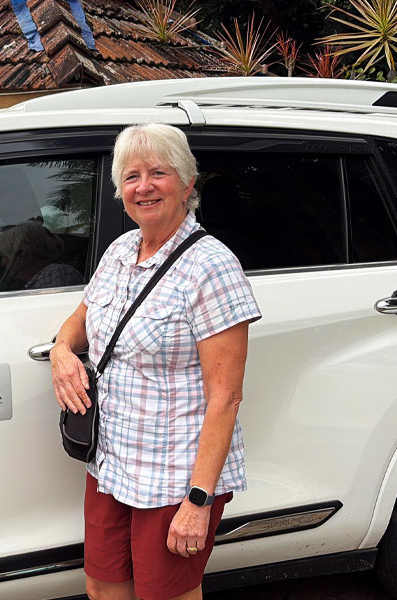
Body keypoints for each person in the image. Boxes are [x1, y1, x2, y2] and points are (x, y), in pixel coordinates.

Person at [50, 123, 261, 600]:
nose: (143, 186)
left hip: (174, 476)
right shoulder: (120, 251)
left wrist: (198, 500)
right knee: (102, 587)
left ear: (187, 184)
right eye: (131, 176)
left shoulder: (212, 266)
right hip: (111, 464)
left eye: (158, 173)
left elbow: (225, 397)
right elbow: (80, 319)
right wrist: (62, 351)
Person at [0, 220, 83, 289]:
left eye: (5, 256)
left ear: (21, 256)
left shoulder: (53, 274)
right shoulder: (36, 280)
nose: (3, 263)